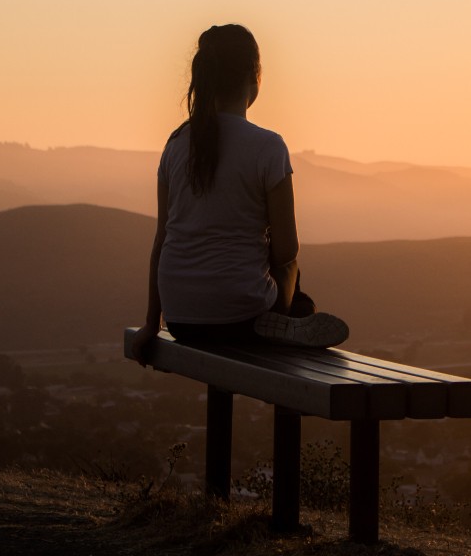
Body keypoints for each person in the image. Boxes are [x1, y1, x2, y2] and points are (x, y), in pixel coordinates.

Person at [132, 24, 348, 366]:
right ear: (254, 76)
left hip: (181, 320)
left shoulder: (174, 146)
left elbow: (162, 242)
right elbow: (287, 250)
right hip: (243, 318)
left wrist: (150, 323)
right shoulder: (267, 146)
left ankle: (289, 317)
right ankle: (292, 318)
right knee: (293, 271)